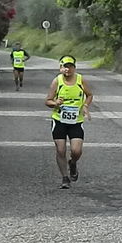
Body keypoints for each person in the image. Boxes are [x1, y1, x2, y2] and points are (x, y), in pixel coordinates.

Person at [45, 55, 93, 189]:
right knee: (60, 150)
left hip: (76, 121)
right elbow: (47, 101)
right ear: (61, 68)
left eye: (70, 66)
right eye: (65, 67)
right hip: (59, 120)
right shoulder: (57, 81)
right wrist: (55, 103)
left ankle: (72, 163)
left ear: (74, 68)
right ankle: (65, 178)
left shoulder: (80, 79)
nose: (68, 69)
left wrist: (85, 106)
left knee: (76, 151)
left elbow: (89, 94)